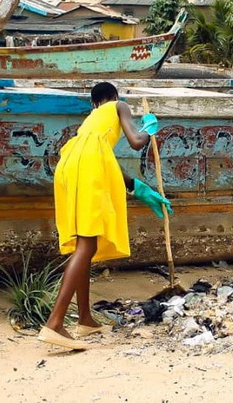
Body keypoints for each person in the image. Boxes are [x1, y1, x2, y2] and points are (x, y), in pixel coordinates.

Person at [38, 82, 172, 350]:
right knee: (87, 244)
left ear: (93, 103)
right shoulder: (118, 105)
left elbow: (102, 159)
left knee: (86, 244)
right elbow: (136, 143)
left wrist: (136, 187)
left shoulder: (89, 124)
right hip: (87, 169)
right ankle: (55, 323)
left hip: (68, 167)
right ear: (114, 97)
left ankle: (85, 319)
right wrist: (149, 129)